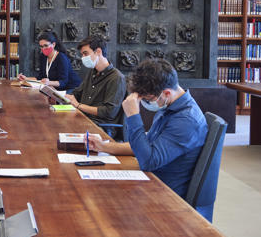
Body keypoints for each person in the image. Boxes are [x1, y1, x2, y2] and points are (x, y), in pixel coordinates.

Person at [87, 59, 208, 210]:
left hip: (165, 195)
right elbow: (145, 145)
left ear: (166, 93)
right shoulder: (169, 106)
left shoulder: (186, 121)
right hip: (152, 179)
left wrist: (133, 116)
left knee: (98, 201)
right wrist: (104, 147)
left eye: (148, 99)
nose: (145, 103)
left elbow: (148, 161)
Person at [65, 35, 126, 139]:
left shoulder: (116, 78)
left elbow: (109, 112)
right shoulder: (92, 72)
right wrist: (61, 96)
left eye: (85, 53)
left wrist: (78, 105)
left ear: (98, 51)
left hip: (101, 127)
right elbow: (77, 93)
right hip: (84, 119)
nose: (83, 58)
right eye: (82, 55)